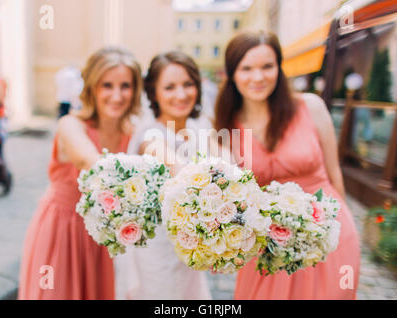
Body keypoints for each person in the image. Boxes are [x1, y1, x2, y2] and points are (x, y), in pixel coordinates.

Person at [214, 31, 361, 300]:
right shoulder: (225, 127)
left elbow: (334, 172)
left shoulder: (311, 107)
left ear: (279, 69)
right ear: (232, 73)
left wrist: (344, 228)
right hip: (268, 245)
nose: (258, 77)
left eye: (267, 66)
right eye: (246, 68)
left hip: (326, 236)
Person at [18, 47, 143, 299]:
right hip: (63, 229)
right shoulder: (70, 125)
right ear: (92, 87)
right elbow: (88, 159)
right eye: (107, 85)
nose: (117, 96)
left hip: (103, 236)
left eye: (125, 86)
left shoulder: (134, 131)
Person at [113, 51, 212, 300]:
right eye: (169, 87)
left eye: (188, 84)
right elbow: (174, 166)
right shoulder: (151, 136)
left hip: (191, 248)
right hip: (158, 252)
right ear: (154, 93)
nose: (181, 94)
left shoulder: (200, 129)